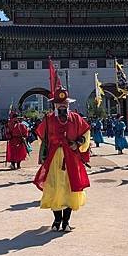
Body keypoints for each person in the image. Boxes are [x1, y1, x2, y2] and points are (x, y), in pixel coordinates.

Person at [33, 88, 91, 232]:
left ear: (68, 104)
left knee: (70, 188)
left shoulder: (76, 118)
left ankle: (66, 222)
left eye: (64, 103)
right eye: (59, 104)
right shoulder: (48, 119)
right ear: (55, 106)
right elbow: (41, 137)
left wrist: (77, 143)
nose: (62, 106)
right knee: (53, 188)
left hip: (71, 157)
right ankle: (56, 220)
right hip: (54, 159)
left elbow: (86, 133)